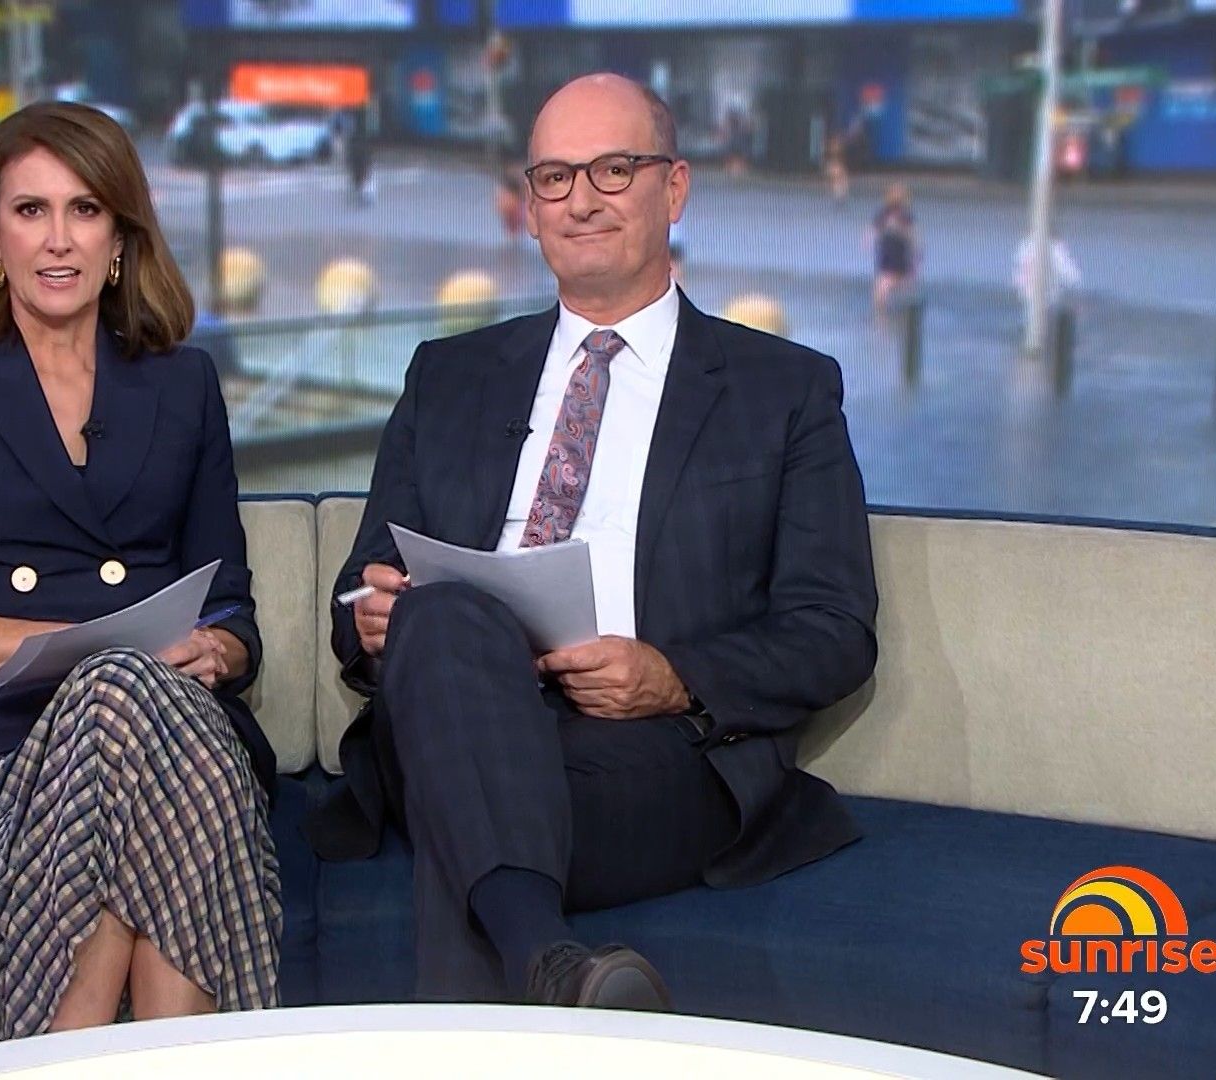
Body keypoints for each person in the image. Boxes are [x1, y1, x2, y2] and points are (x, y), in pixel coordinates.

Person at [302, 74, 878, 1008]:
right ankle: (550, 962)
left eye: (613, 169)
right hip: (454, 705)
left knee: (469, 805)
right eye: (555, 177)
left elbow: (835, 629)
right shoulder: (448, 375)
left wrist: (673, 675)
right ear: (531, 207)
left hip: (652, 752)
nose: (581, 200)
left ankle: (528, 955)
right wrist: (372, 615)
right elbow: (359, 589)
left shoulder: (784, 390)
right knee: (442, 614)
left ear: (674, 188)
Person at [0, 102, 280, 1049]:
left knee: (134, 722)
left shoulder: (182, 384)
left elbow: (230, 604)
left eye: (85, 211)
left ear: (119, 238)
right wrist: (78, 653)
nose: (58, 239)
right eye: (30, 210)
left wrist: (218, 648)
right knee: (121, 697)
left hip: (169, 736)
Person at [869, 182, 918, 317]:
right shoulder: (884, 214)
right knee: (882, 291)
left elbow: (913, 238)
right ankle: (885, 317)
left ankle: (892, 316)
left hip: (898, 260)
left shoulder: (905, 217)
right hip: (887, 259)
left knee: (886, 288)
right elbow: (873, 232)